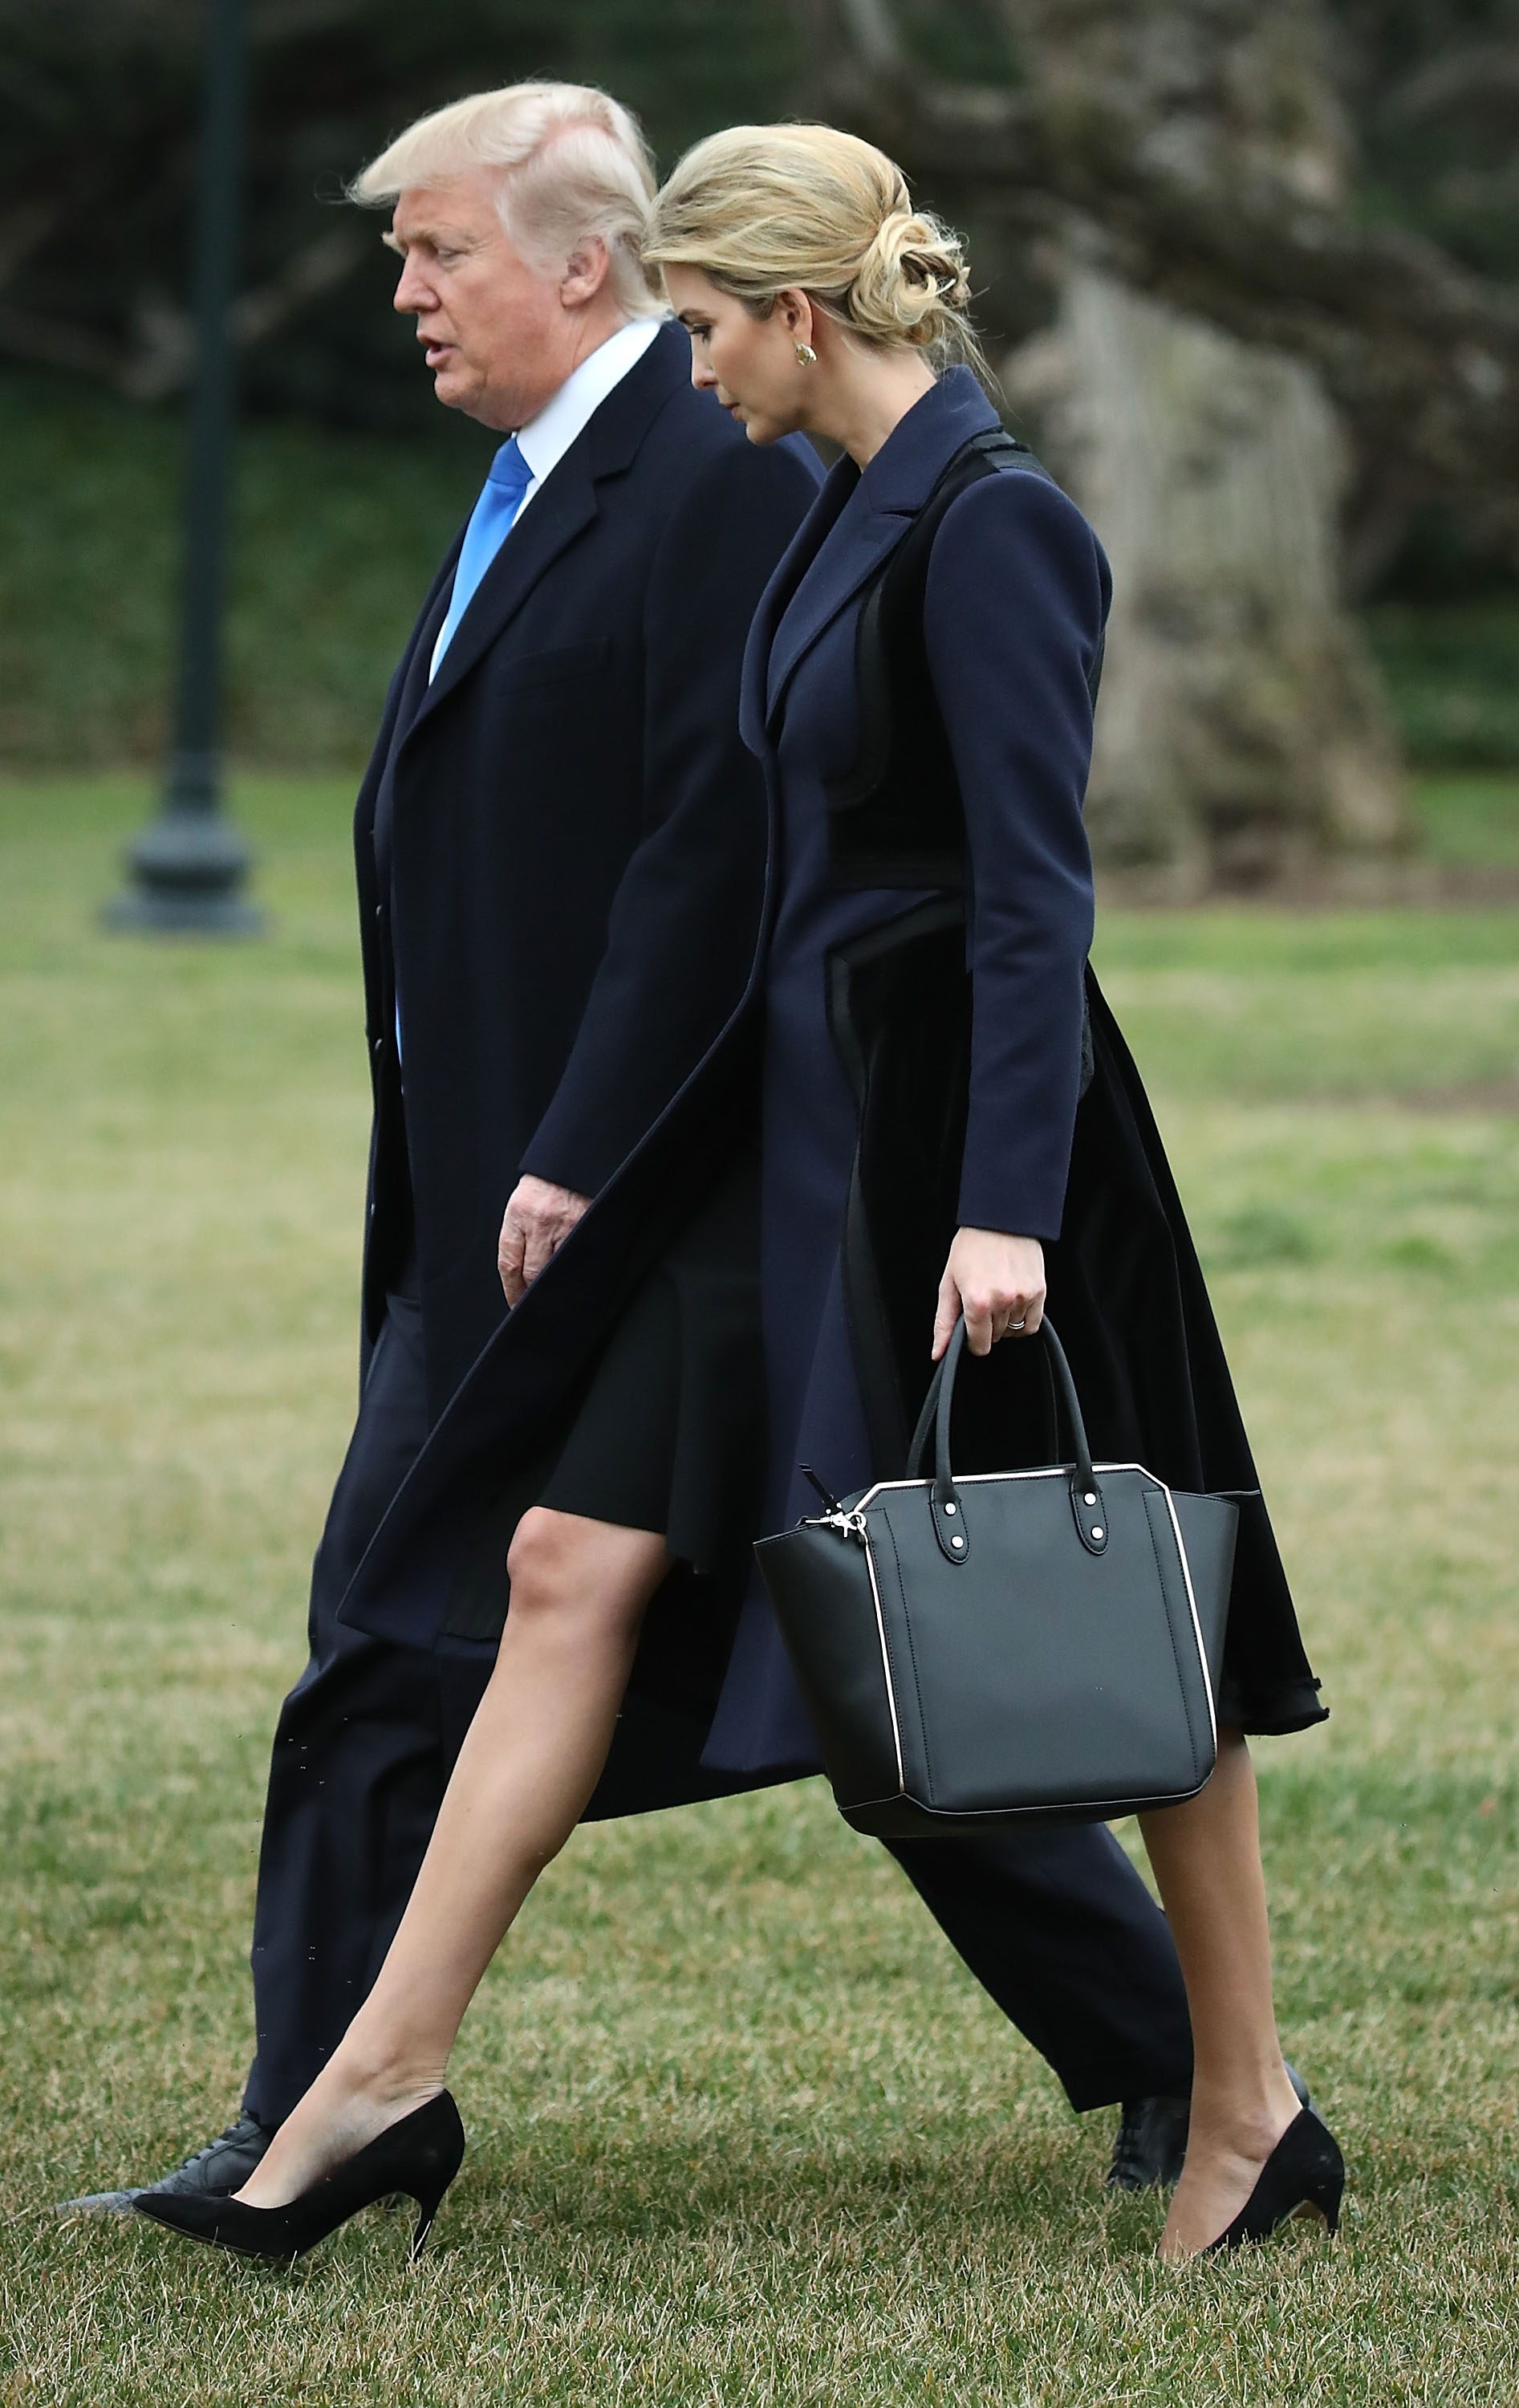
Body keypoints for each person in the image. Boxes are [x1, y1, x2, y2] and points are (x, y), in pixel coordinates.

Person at [101, 83, 1214, 2259]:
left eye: (437, 249)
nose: (406, 292)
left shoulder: (758, 474)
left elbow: (782, 857)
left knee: (801, 1627)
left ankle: (1207, 2065)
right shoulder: (590, 472)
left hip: (690, 1178)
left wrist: (608, 1151)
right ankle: (346, 2098)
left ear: (605, 268)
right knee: (580, 1601)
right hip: (576, 1172)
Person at [640, 124, 1345, 2260]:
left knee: (1139, 1625)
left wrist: (1007, 1206)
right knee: (981, 1625)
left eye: (701, 327)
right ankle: (1227, 2090)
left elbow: (1038, 896)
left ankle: (1247, 2108)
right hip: (864, 1128)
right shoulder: (841, 502)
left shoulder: (995, 521)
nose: (692, 370)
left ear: (794, 311)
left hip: (993, 1152)